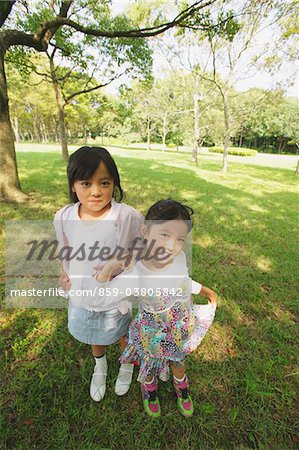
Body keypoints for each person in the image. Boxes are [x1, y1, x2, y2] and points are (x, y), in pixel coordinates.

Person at [95, 199, 217, 418]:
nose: (172, 246)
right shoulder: (137, 273)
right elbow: (102, 297)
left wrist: (205, 290)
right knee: (149, 366)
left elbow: (184, 281)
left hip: (178, 328)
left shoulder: (178, 258)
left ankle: (182, 388)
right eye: (165, 235)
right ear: (145, 231)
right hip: (150, 334)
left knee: (178, 362)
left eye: (180, 239)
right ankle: (149, 391)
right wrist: (108, 269)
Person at [53, 146, 143, 402]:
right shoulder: (64, 216)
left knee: (123, 333)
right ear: (73, 185)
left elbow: (142, 248)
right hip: (84, 293)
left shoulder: (126, 216)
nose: (96, 191)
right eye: (86, 183)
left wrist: (118, 264)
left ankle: (126, 366)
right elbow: (65, 251)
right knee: (96, 332)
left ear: (114, 183)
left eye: (104, 183)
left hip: (116, 295)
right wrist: (65, 273)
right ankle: (100, 366)